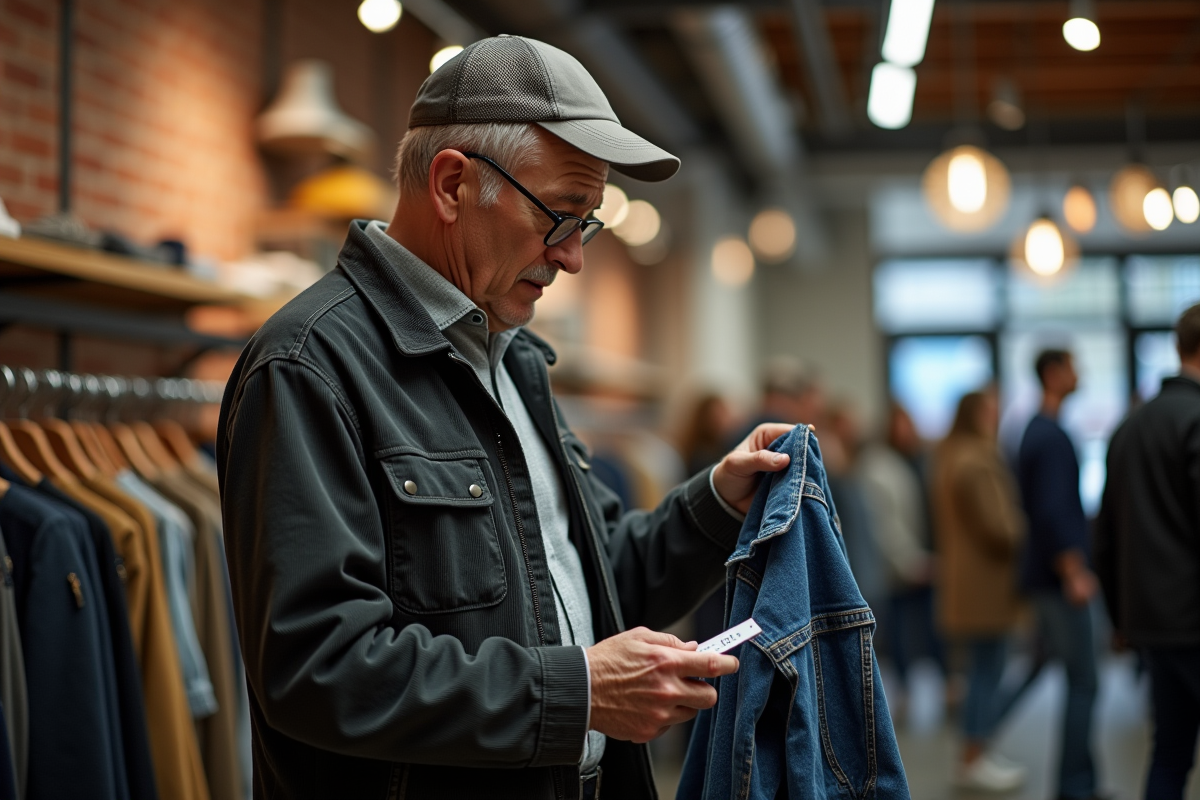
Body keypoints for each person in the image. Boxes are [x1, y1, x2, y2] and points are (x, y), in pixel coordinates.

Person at [217, 35, 793, 800]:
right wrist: (578, 692)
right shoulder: (309, 368)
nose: (572, 258)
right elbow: (319, 668)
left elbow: (589, 580)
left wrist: (718, 502)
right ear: (454, 185)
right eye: (560, 215)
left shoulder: (513, 359)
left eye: (587, 223)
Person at [1096, 303, 1200, 800]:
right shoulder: (1196, 419)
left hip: (1151, 623)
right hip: (1194, 619)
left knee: (1171, 751)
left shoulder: (1128, 429)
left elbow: (1107, 536)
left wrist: (1120, 618)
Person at [1015, 349, 1102, 800]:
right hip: (1057, 579)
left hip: (1046, 577)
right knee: (1084, 681)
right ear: (1053, 373)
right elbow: (1052, 510)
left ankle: (1080, 782)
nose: (1079, 373)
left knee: (1069, 676)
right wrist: (1074, 571)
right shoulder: (1048, 436)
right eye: (1073, 365)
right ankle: (1075, 787)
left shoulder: (1039, 430)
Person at [931, 390, 1028, 791]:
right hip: (986, 583)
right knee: (987, 671)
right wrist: (1026, 528)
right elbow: (999, 527)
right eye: (991, 409)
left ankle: (977, 751)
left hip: (967, 582)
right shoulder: (977, 458)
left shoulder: (950, 455)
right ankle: (973, 756)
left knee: (981, 670)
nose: (997, 416)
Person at [859, 401, 946, 700]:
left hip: (925, 559)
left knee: (931, 629)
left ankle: (944, 687)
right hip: (898, 566)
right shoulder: (879, 467)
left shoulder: (922, 462)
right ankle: (905, 692)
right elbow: (886, 524)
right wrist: (910, 562)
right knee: (899, 633)